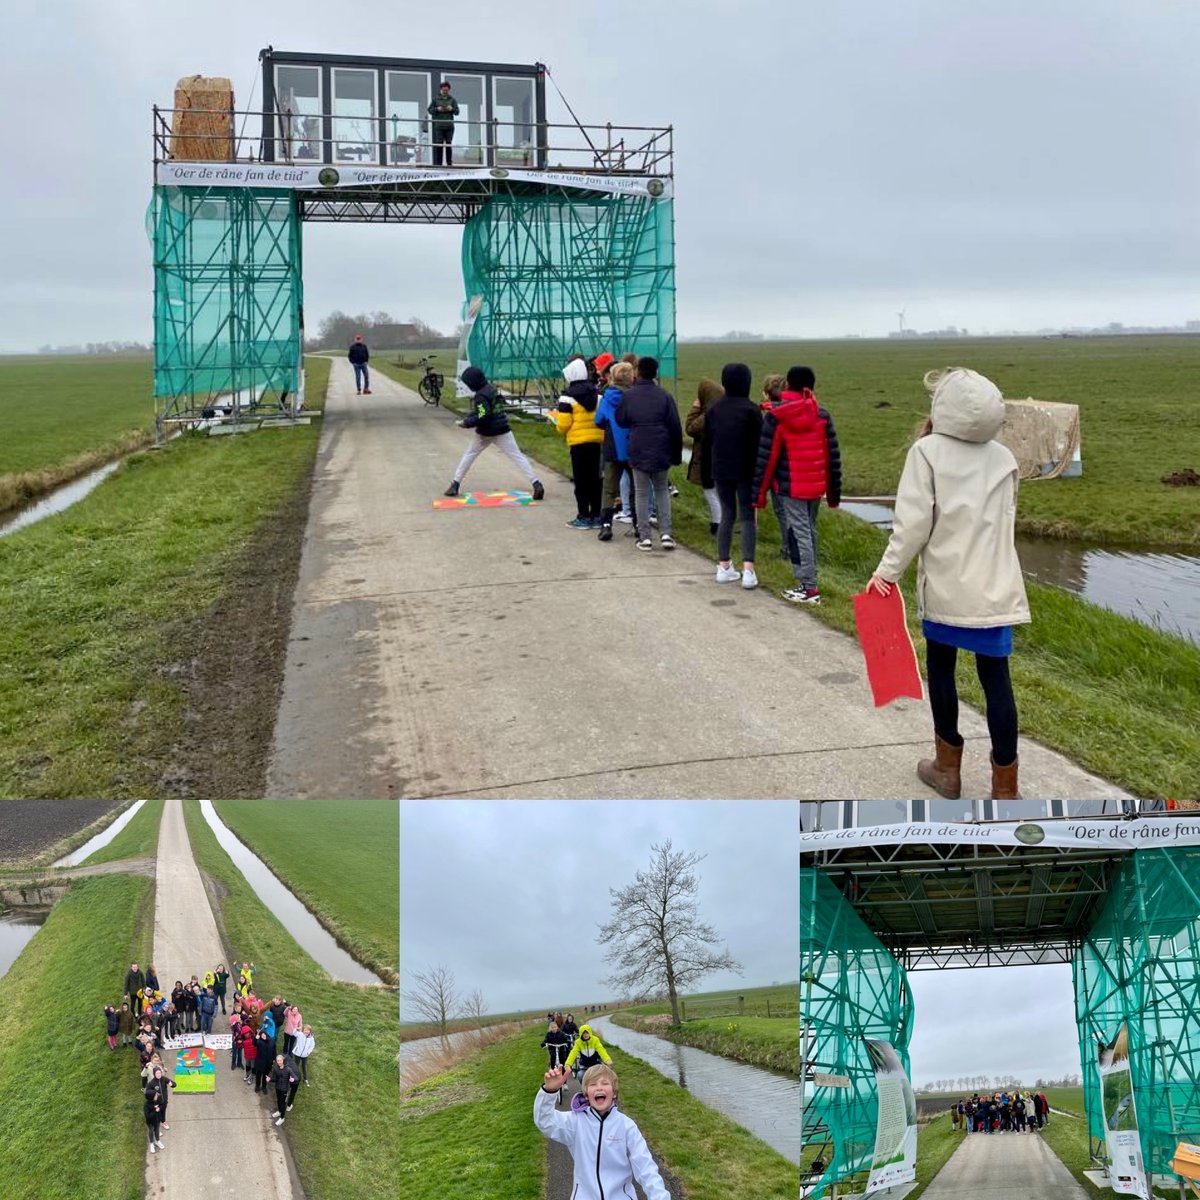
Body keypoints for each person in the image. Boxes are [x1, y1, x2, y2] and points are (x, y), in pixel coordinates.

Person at [867, 367, 1030, 801]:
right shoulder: (1004, 457)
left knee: (942, 669)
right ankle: (1005, 787)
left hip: (947, 582)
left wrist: (887, 573)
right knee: (997, 679)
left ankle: (947, 768)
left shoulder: (927, 452)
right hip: (995, 587)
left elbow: (912, 524)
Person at [752, 365, 842, 605]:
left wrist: (759, 494)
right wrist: (834, 492)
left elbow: (767, 457)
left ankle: (809, 588)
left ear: (788, 384)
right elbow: (832, 455)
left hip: (790, 486)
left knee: (800, 531)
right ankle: (808, 578)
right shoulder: (822, 415)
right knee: (809, 529)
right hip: (816, 485)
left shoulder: (777, 416)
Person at [535, 1064, 669, 1200]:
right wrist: (549, 1091)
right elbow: (545, 1121)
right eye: (593, 1084)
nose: (599, 1087)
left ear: (614, 1093)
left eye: (605, 1083)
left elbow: (646, 1168)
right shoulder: (575, 1122)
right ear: (586, 1094)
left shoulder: (626, 1126)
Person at [444, 367, 545, 499]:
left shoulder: (480, 395)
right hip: (503, 429)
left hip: (485, 433)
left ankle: (455, 485)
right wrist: (469, 417)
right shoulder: (491, 388)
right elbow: (484, 411)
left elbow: (483, 415)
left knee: (469, 455)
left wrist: (467, 423)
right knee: (517, 456)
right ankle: (536, 484)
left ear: (472, 383)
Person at [704, 363, 763, 589]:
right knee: (748, 516)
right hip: (747, 470)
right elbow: (760, 443)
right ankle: (748, 570)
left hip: (720, 469)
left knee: (727, 514)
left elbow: (708, 443)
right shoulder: (751, 410)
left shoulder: (714, 410)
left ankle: (724, 566)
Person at [615, 356, 682, 552]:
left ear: (638, 372)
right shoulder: (665, 396)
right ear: (656, 373)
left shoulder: (629, 396)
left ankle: (645, 536)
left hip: (638, 445)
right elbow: (675, 427)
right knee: (662, 490)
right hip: (661, 447)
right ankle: (666, 533)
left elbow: (621, 419)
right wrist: (675, 453)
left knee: (642, 492)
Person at [553, 357, 604, 528]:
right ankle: (597, 515)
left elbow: (563, 425)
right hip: (596, 442)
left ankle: (583, 516)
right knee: (596, 480)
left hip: (578, 443)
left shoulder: (566, 398)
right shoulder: (598, 394)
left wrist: (559, 426)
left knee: (581, 481)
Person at [594, 360, 637, 541]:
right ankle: (638, 524)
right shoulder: (635, 396)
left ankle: (605, 525)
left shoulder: (608, 396)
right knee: (636, 487)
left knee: (609, 488)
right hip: (633, 445)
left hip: (612, 446)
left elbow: (599, 420)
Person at [684, 378, 724, 535]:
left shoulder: (709, 414)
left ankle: (717, 523)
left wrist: (695, 408)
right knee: (719, 492)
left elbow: (690, 428)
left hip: (709, 458)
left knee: (710, 490)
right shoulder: (725, 409)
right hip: (723, 459)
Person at [428, 81, 460, 167]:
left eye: (446, 90)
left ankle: (449, 163)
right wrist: (437, 109)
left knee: (449, 144)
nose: (445, 92)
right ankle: (439, 164)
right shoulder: (435, 100)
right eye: (443, 90)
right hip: (438, 126)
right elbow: (430, 110)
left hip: (449, 126)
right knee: (439, 144)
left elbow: (457, 112)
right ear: (441, 89)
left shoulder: (452, 100)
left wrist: (452, 109)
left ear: (449, 90)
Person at [270, 1054, 298, 1125]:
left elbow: (296, 1077)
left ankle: (282, 1118)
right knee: (279, 1101)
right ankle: (279, 1112)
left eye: (280, 1060)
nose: (279, 1062)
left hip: (284, 1090)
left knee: (283, 1103)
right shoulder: (275, 1069)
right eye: (278, 1061)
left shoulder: (288, 1069)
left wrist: (292, 1079)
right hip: (278, 1088)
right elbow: (274, 1079)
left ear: (283, 1060)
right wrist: (270, 1079)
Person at [144, 1085, 165, 1154]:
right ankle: (151, 1143)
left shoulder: (157, 1100)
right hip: (150, 1122)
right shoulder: (146, 1105)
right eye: (155, 1095)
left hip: (157, 1119)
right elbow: (148, 1116)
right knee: (151, 1131)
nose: (157, 1095)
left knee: (157, 1130)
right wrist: (155, 1111)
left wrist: (159, 1109)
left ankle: (157, 1141)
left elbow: (161, 1105)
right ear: (151, 1097)